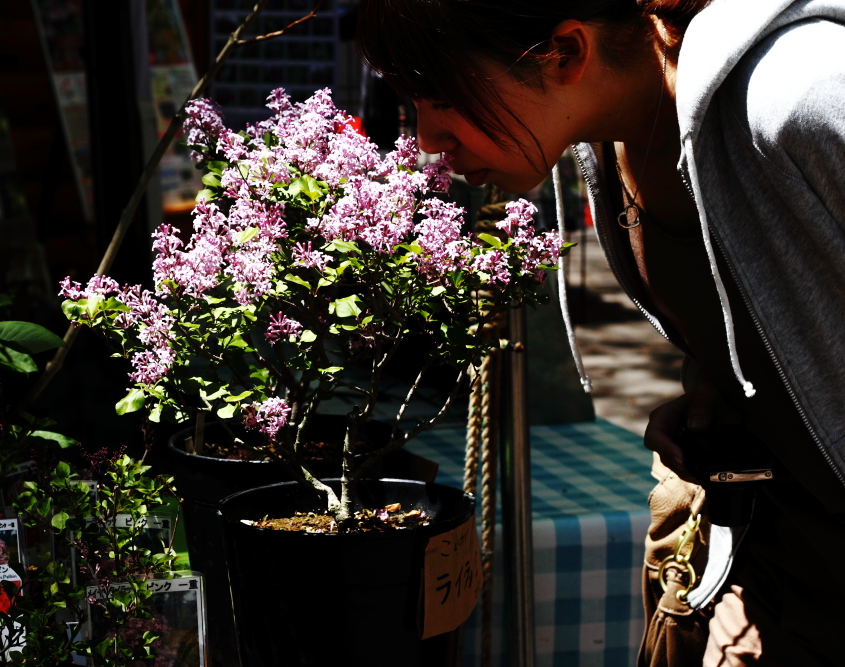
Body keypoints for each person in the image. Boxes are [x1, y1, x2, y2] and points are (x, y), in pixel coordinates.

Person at [357, 0, 845, 664]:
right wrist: (725, 388)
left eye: (442, 95)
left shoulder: (803, 92)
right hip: (777, 575)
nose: (426, 140)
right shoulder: (612, 137)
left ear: (565, 52)